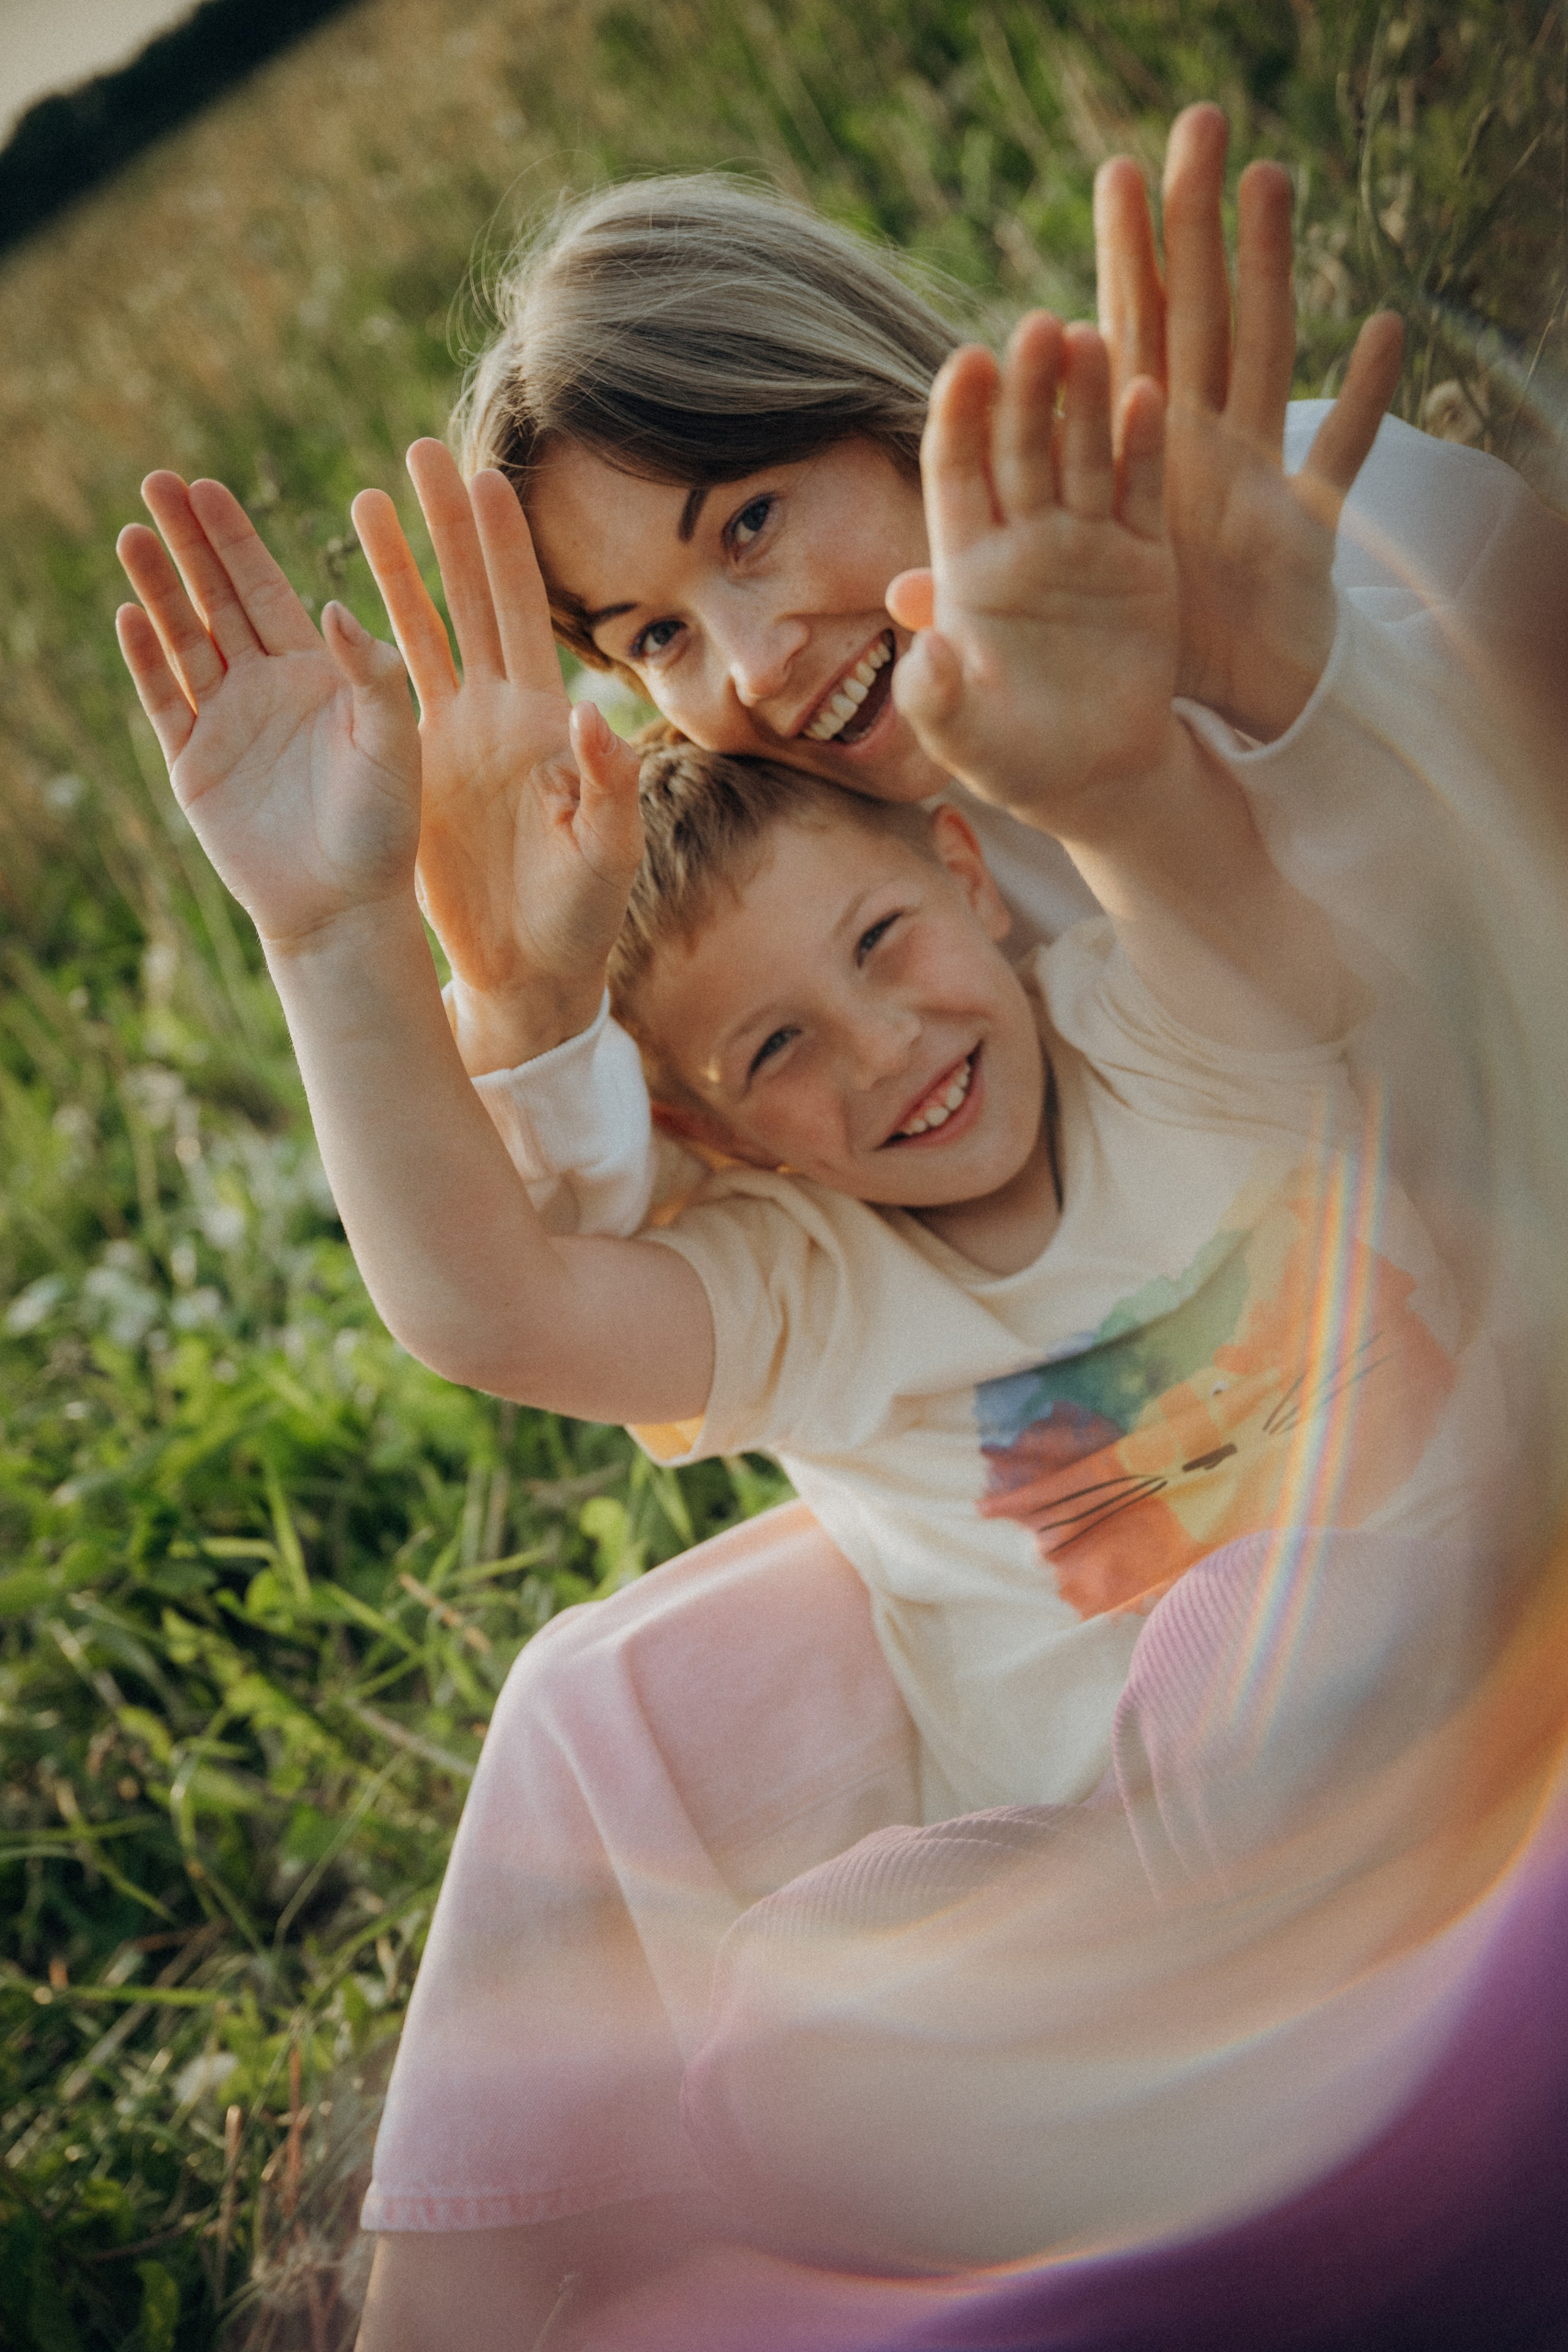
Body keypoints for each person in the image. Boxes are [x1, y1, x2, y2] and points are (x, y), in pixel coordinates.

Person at [115, 104, 1568, 2346]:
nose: (750, 655)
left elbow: (1391, 971)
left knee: (1232, 1655)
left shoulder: (1228, 554)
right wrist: (427, 967)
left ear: (878, 387)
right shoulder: (809, 919)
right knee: (647, 1786)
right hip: (1118, 1738)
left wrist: (1225, 709)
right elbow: (545, 1270)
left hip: (1458, 1514)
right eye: (651, 632)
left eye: (754, 519)